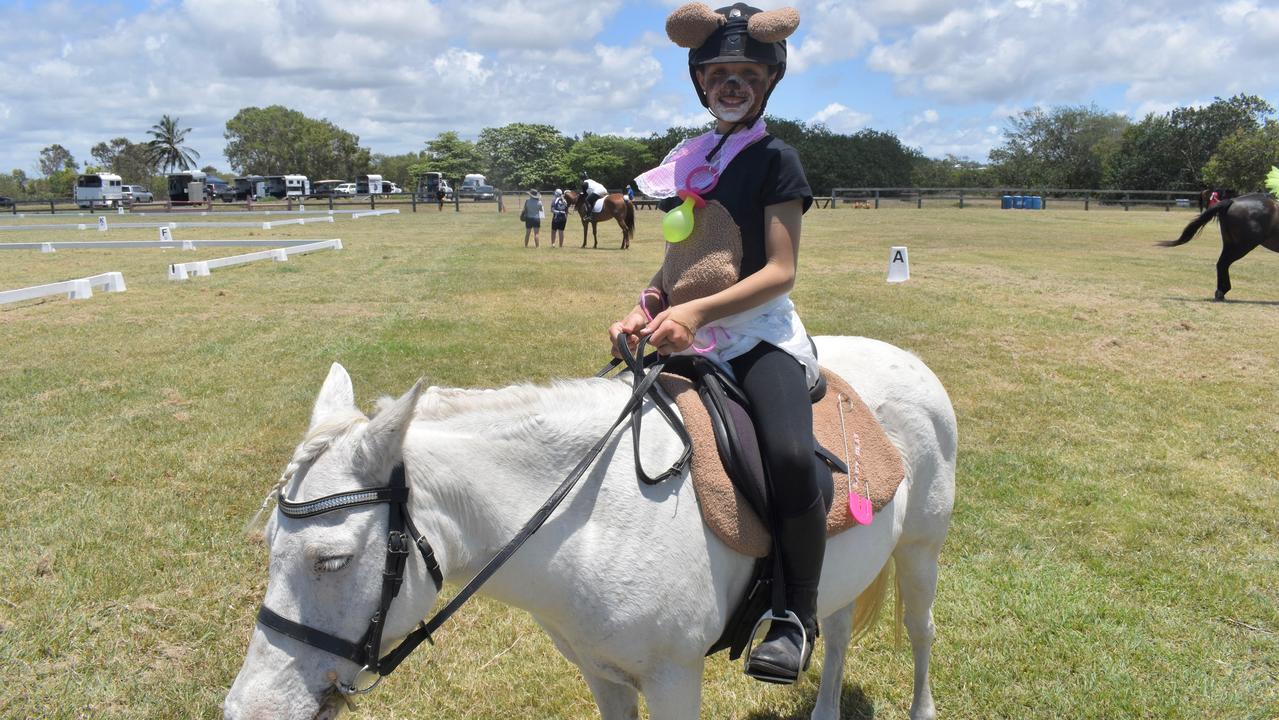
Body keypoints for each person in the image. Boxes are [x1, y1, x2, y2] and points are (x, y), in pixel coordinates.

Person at [610, 1, 818, 685]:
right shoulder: (688, 157)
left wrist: (695, 314)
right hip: (685, 328)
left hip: (756, 337)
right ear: (700, 82)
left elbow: (779, 271)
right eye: (718, 73)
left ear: (768, 80)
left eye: (745, 73)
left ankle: (794, 616)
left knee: (787, 455)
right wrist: (645, 307)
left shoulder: (776, 158)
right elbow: (680, 262)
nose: (731, 84)